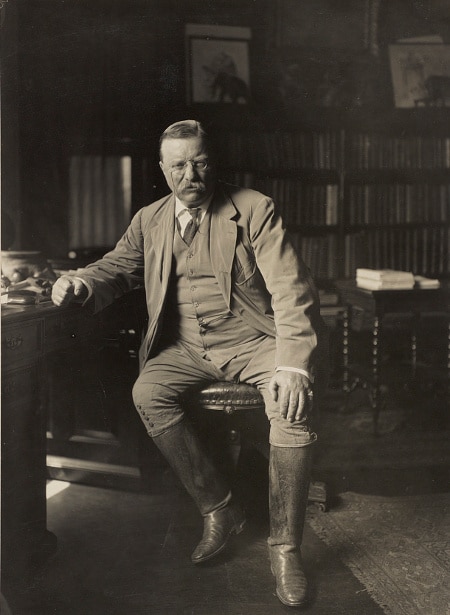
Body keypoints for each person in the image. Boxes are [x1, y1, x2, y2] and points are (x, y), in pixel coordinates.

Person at [52, 119, 328, 608]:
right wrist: (81, 282)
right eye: (178, 165)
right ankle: (219, 509)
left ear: (212, 162)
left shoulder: (254, 209)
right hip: (185, 348)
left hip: (253, 341)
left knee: (291, 406)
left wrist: (293, 365)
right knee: (146, 393)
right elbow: (116, 268)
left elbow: (291, 288)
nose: (190, 175)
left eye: (199, 162)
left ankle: (286, 548)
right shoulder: (149, 219)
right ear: (163, 169)